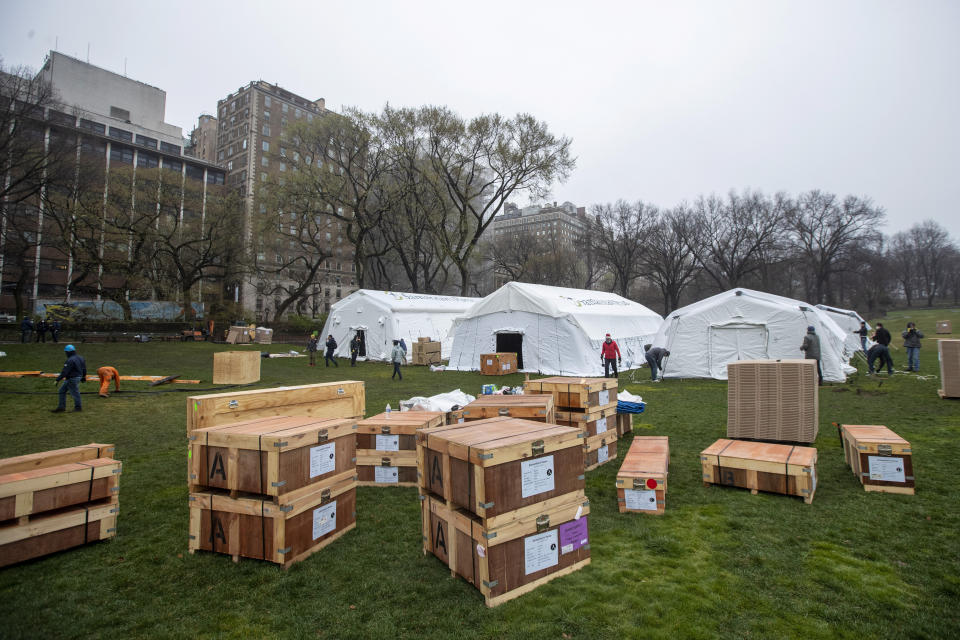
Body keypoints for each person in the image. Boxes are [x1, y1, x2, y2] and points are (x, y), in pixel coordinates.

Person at [52, 344, 86, 413]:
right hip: (77, 377)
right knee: (62, 391)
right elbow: (84, 369)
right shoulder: (81, 358)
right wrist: (83, 377)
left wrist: (57, 380)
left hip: (72, 379)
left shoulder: (70, 360)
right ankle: (61, 407)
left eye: (66, 352)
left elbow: (64, 372)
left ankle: (78, 407)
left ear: (68, 352)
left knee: (75, 393)